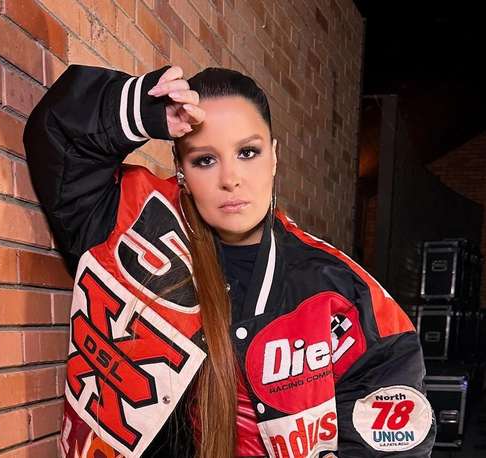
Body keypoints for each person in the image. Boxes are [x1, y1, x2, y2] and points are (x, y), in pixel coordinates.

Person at [24, 63, 435, 458]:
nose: (230, 179)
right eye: (205, 159)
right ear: (181, 170)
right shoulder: (132, 223)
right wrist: (140, 110)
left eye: (248, 152)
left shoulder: (338, 289)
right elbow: (59, 136)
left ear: (274, 156)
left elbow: (393, 429)